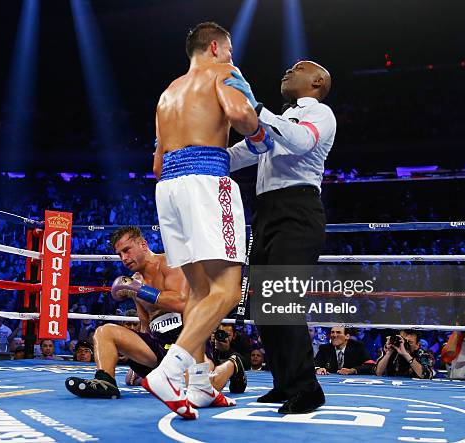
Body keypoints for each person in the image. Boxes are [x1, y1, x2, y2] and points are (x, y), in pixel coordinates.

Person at [143, 21, 262, 420]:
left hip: (168, 187)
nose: (232, 57)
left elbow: (157, 160)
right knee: (227, 291)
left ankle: (199, 385)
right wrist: (262, 132)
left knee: (198, 289)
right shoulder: (225, 72)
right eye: (229, 50)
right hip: (206, 180)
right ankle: (168, 372)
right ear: (215, 47)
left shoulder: (167, 93)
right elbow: (241, 115)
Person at [225, 60, 336, 414]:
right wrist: (199, 158)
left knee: (283, 299)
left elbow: (302, 142)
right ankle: (284, 383)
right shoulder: (280, 120)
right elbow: (247, 152)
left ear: (317, 81)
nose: (287, 70)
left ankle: (307, 388)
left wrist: (257, 109)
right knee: (263, 305)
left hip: (297, 210)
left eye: (297, 68)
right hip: (266, 213)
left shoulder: (320, 114)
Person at [65, 226, 245, 406]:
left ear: (143, 244)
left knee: (197, 387)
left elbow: (182, 302)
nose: (124, 258)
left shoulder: (170, 263)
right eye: (120, 254)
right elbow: (145, 323)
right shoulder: (135, 279)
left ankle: (232, 364)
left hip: (189, 340)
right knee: (104, 332)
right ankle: (105, 381)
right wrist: (137, 358)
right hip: (158, 345)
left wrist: (139, 290)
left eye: (127, 250)